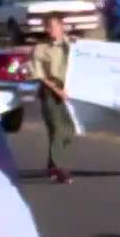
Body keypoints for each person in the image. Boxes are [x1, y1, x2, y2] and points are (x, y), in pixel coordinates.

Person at [30, 13, 76, 184]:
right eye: (47, 27)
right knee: (56, 128)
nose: (50, 30)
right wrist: (57, 90)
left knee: (69, 130)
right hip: (50, 90)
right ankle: (59, 167)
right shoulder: (41, 48)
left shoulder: (73, 45)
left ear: (61, 26)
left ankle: (52, 165)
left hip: (70, 89)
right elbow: (40, 75)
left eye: (53, 26)